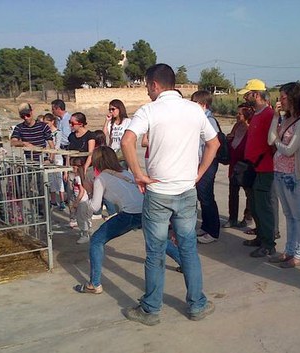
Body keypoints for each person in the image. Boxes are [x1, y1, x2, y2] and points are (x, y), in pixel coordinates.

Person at [121, 63, 220, 325]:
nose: (146, 92)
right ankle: (197, 305)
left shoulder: (150, 111)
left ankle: (151, 309)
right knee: (188, 248)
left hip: (158, 192)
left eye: (146, 86)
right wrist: (198, 174)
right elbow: (214, 143)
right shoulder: (194, 110)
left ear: (155, 85)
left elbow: (127, 140)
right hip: (186, 191)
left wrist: (137, 173)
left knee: (155, 253)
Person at [73, 146, 182, 294]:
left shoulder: (101, 179)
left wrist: (86, 195)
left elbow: (95, 207)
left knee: (97, 240)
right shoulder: (125, 173)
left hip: (130, 214)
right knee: (160, 240)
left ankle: (94, 283)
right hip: (146, 210)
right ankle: (185, 264)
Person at [267, 82, 300, 268]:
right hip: (279, 172)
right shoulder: (286, 119)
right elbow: (270, 139)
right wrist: (275, 116)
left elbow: (289, 150)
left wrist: (277, 141)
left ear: (294, 97)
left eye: (283, 97)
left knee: (299, 215)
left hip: (293, 175)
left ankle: (299, 254)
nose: (280, 101)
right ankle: (289, 251)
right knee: (289, 215)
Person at [238, 79, 277, 257]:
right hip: (253, 166)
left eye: (248, 94)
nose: (246, 97)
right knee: (254, 205)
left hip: (265, 167)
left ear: (257, 94)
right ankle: (261, 237)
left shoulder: (269, 115)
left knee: (263, 206)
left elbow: (273, 142)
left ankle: (268, 243)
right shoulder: (257, 114)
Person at [190, 90, 221, 244]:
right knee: (203, 196)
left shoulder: (210, 120)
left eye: (194, 103)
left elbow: (213, 144)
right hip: (201, 163)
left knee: (207, 197)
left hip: (208, 163)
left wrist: (203, 165)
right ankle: (206, 226)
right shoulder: (200, 119)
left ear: (203, 104)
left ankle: (213, 231)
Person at [223, 103, 254, 228]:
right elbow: (232, 140)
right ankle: (232, 218)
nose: (237, 115)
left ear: (246, 115)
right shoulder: (237, 126)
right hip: (234, 166)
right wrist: (229, 139)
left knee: (249, 194)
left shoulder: (250, 128)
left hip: (245, 167)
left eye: (240, 114)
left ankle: (248, 217)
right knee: (233, 193)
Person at [42, 113, 66, 211]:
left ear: (52, 122)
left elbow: (56, 146)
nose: (45, 125)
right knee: (51, 180)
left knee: (59, 179)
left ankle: (62, 200)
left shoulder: (58, 132)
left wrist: (52, 155)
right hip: (48, 158)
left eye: (47, 123)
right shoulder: (45, 133)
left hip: (57, 158)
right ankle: (53, 200)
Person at [69, 157, 92, 244]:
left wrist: (76, 202)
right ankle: (85, 232)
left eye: (74, 167)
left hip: (82, 200)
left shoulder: (78, 178)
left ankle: (85, 235)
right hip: (81, 199)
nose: (73, 169)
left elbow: (81, 191)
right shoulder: (78, 177)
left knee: (81, 218)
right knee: (82, 218)